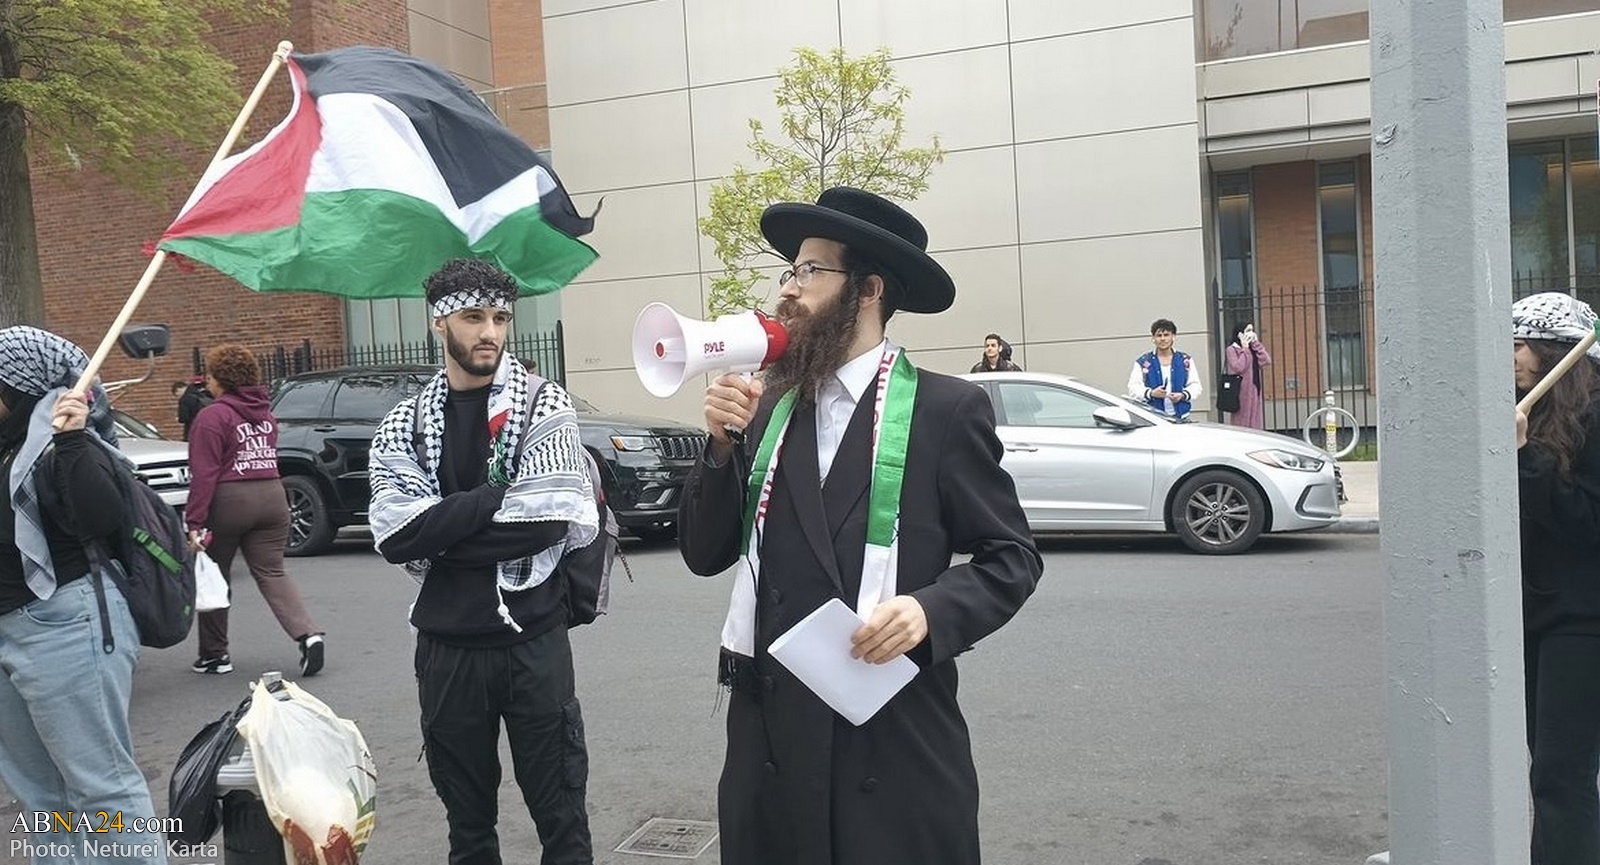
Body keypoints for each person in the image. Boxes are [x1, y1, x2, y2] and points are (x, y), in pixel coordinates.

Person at [678, 187, 1043, 865]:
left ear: (868, 289)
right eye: (789, 270)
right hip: (771, 740)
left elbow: (1012, 558)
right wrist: (720, 448)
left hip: (889, 734)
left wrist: (930, 610)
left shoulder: (944, 410)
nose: (788, 290)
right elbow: (705, 553)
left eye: (810, 270)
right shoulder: (767, 405)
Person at [368, 258, 599, 865]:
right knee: (467, 827)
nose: (490, 332)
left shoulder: (544, 405)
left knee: (563, 818)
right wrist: (497, 496)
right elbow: (394, 534)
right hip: (447, 650)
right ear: (439, 323)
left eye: (500, 318)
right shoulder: (405, 423)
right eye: (473, 317)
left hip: (534, 641)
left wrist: (441, 529)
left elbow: (549, 519)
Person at [0, 326, 168, 864]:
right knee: (40, 797)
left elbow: (102, 517)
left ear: (16, 387)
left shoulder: (68, 440)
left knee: (101, 789)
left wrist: (72, 440)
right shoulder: (7, 448)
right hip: (9, 628)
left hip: (64, 625)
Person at [1511, 291, 1600, 865]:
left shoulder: (1593, 417)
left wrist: (1526, 457)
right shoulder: (1530, 412)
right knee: (1546, 769)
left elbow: (1587, 521)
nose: (1512, 357)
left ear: (1557, 351)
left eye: (1521, 344)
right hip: (1535, 613)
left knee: (1562, 775)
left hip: (1583, 619)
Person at [185, 344, 324, 676]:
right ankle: (308, 635)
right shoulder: (265, 415)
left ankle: (215, 655)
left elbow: (204, 473)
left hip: (230, 499)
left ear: (222, 379)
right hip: (272, 495)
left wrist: (195, 522)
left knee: (215, 575)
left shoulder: (212, 416)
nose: (207, 381)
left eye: (211, 376)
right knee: (272, 572)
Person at [1127, 317, 1202, 421]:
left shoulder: (1185, 360)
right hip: (1153, 418)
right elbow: (1133, 387)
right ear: (1153, 338)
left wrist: (1183, 395)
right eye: (1159, 335)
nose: (1162, 339)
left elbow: (1196, 385)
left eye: (1166, 335)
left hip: (1182, 417)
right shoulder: (1143, 362)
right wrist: (1151, 393)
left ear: (1173, 337)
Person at [1224, 323, 1272, 429]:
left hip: (1254, 387)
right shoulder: (1232, 349)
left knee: (1255, 419)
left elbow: (1266, 360)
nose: (1251, 333)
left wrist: (1256, 343)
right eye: (1248, 330)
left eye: (1252, 330)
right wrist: (1245, 349)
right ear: (1240, 334)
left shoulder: (1253, 349)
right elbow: (1238, 367)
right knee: (1242, 420)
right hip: (1241, 390)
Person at [175, 375, 213, 441]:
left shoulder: (185, 399)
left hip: (192, 430)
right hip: (208, 428)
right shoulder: (206, 395)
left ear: (178, 389)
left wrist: (179, 419)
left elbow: (183, 418)